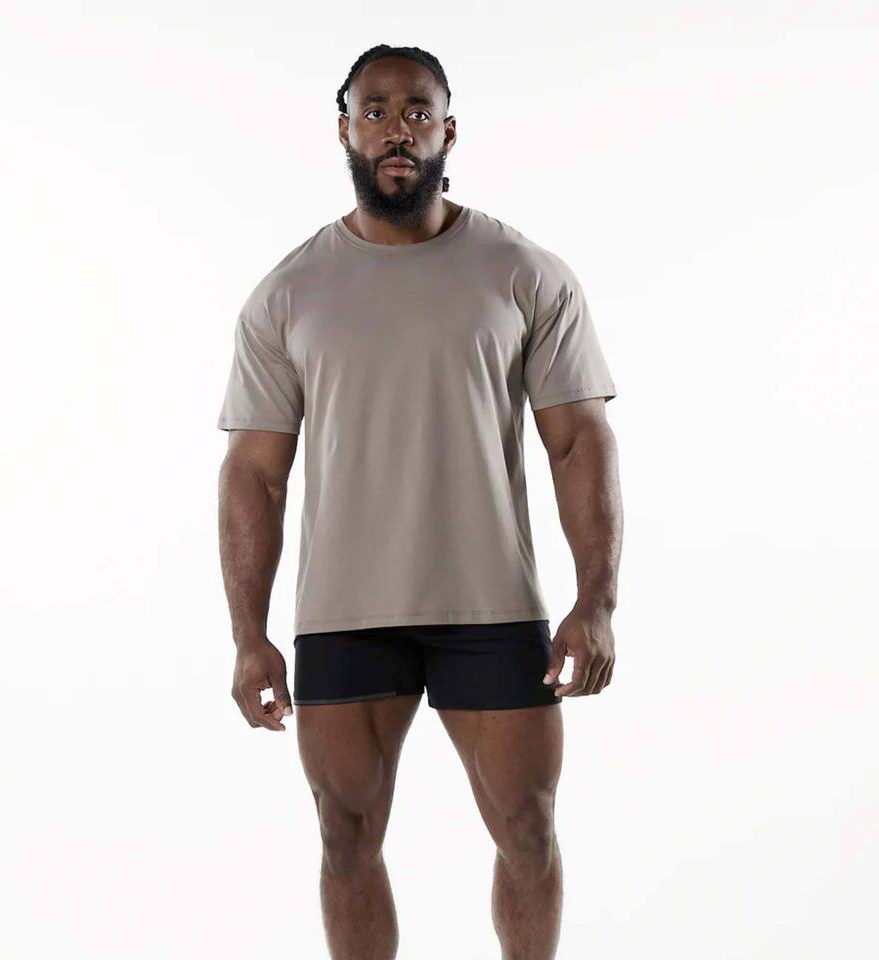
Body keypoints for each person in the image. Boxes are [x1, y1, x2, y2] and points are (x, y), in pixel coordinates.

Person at [217, 43, 623, 960]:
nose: (395, 129)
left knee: (527, 827)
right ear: (344, 131)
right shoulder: (289, 293)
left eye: (415, 111)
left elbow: (579, 442)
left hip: (490, 602)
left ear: (448, 130)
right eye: (375, 111)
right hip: (344, 608)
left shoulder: (524, 272)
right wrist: (248, 634)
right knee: (344, 836)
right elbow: (254, 476)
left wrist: (596, 601)